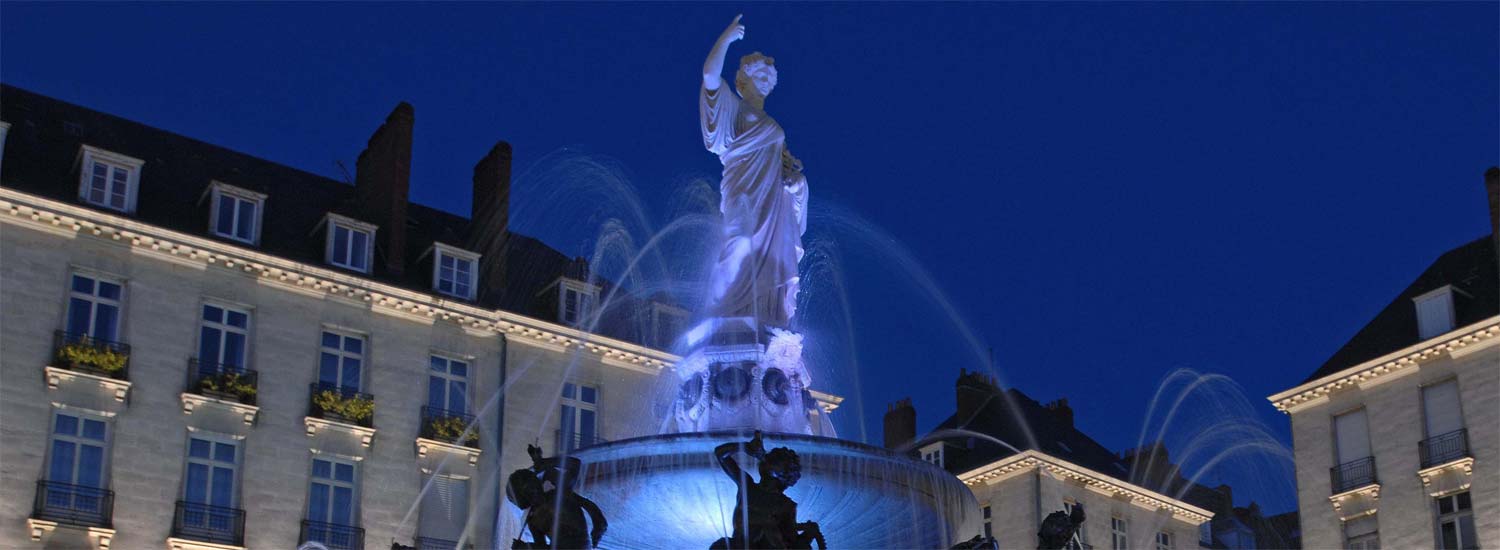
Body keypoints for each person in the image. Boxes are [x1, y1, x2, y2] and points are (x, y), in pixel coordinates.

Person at [700, 14, 810, 331]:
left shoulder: (774, 128)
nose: (766, 79)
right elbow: (709, 73)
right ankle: (726, 317)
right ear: (743, 78)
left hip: (773, 205)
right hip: (742, 192)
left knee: (772, 262)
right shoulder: (732, 109)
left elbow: (788, 172)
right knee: (737, 248)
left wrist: (796, 183)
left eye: (770, 77)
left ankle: (768, 317)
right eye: (760, 73)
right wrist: (727, 39)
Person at [710, 431, 824, 549]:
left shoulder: (786, 505)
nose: (767, 457)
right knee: (722, 546)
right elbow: (720, 454)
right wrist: (745, 448)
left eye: (776, 458)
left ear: (785, 473)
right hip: (738, 547)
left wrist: (808, 535)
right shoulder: (747, 486)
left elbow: (791, 542)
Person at [506, 444, 607, 549]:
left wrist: (544, 462)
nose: (534, 492)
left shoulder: (560, 494)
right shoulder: (534, 521)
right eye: (528, 492)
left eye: (533, 487)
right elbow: (544, 548)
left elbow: (575, 464)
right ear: (522, 500)